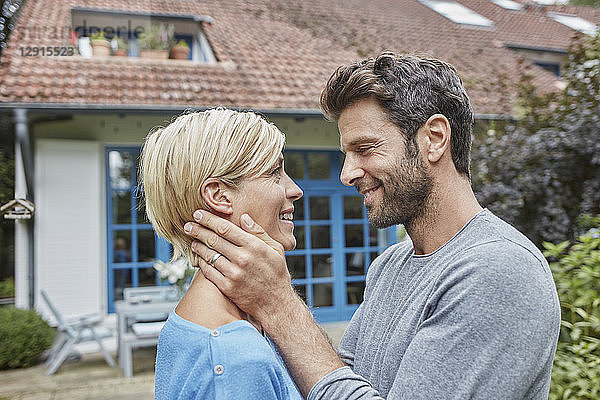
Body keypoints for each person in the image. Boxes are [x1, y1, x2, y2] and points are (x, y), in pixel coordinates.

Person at [184, 51, 562, 399]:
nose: (348, 174)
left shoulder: (497, 271)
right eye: (347, 154)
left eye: (365, 149)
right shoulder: (390, 265)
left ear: (434, 139)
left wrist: (279, 304)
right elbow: (337, 380)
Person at [140, 109, 304, 399]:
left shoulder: (199, 322)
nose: (295, 189)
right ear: (219, 196)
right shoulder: (235, 358)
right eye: (274, 172)